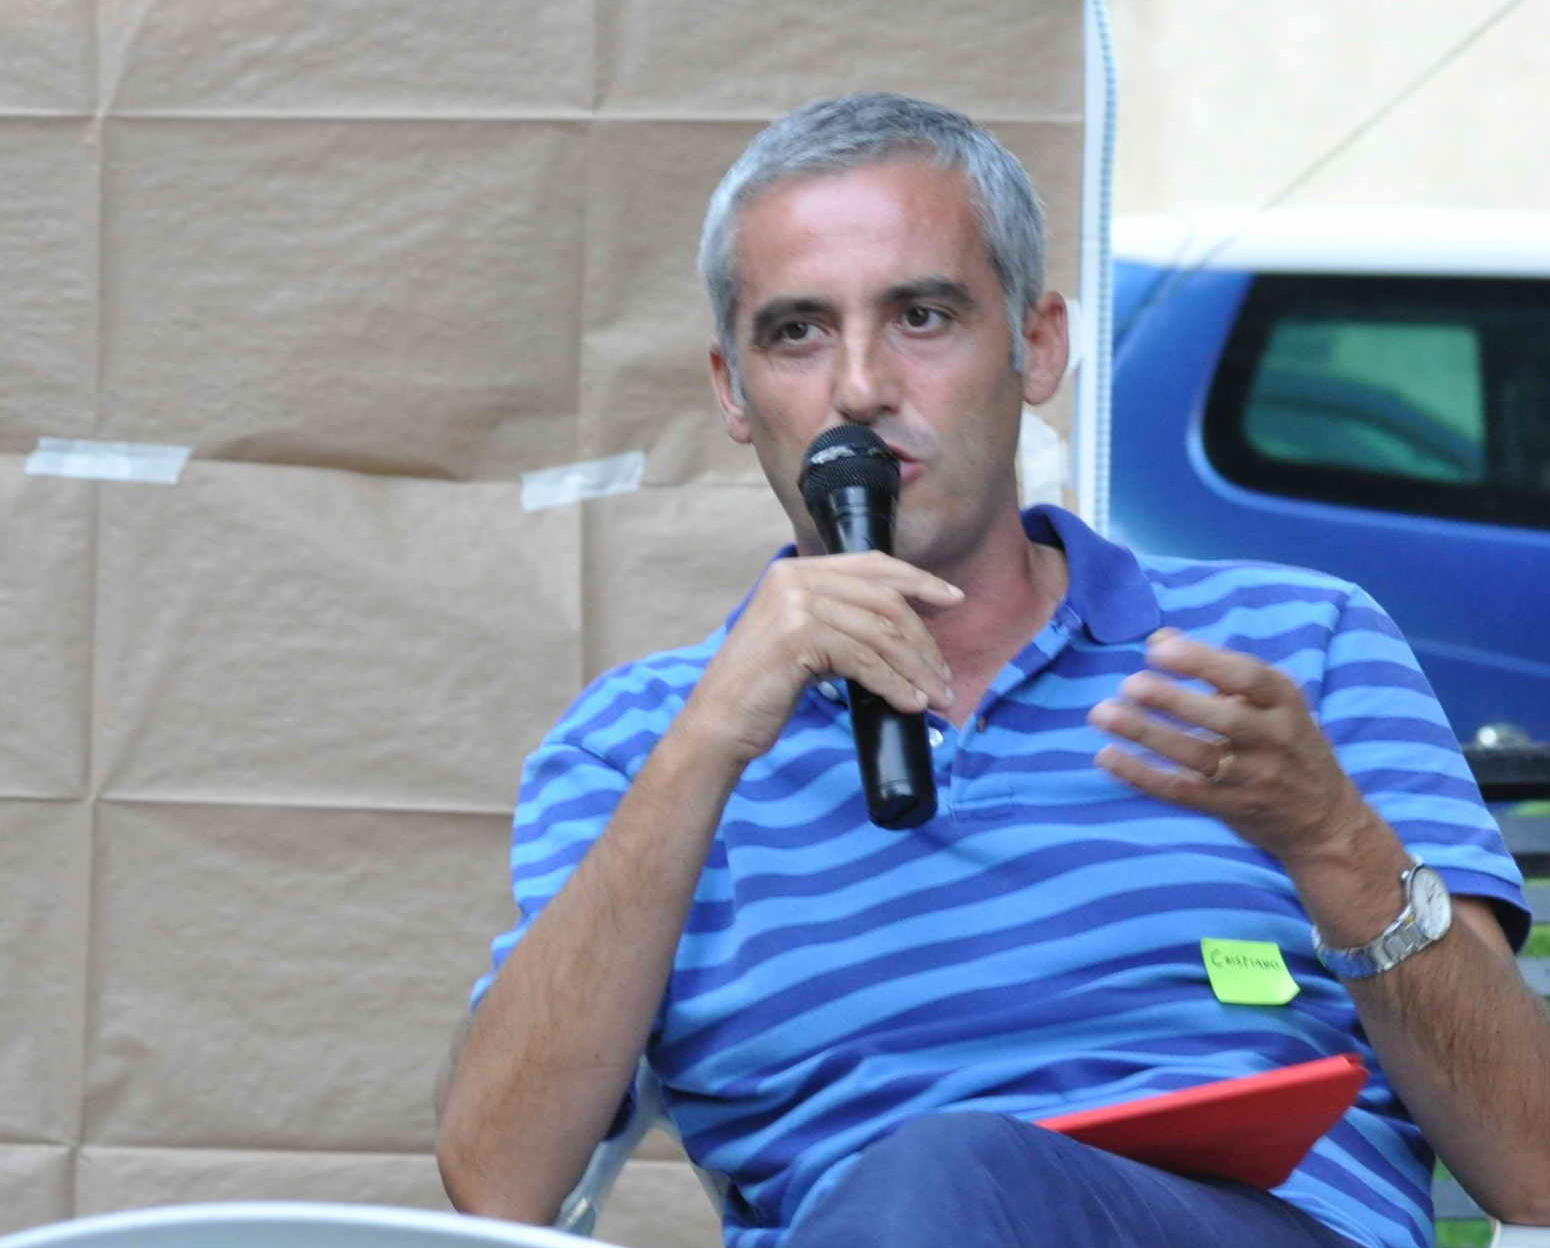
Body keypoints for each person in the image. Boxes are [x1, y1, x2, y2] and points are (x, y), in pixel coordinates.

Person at [435, 93, 1550, 1247]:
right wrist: (706, 744)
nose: (858, 388)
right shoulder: (637, 745)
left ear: (1037, 345)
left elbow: (1534, 1165)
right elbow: (498, 1187)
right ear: (732, 389)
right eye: (798, 333)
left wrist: (1329, 840)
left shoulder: (1292, 643)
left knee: (952, 1172)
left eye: (920, 317)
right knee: (933, 1185)